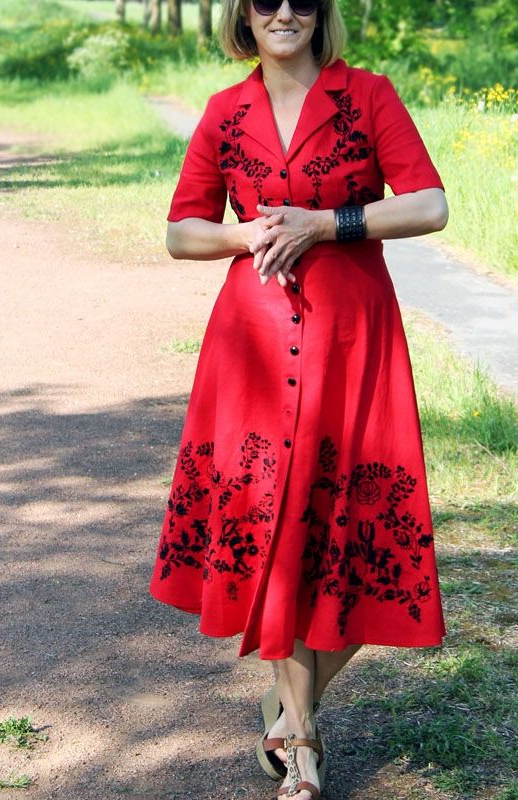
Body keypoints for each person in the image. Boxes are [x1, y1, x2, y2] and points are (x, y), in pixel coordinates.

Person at [148, 1, 449, 797]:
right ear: (242, 15)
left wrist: (325, 223)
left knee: (356, 534)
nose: (285, 11)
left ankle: (289, 701)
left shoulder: (369, 96)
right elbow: (182, 230)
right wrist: (250, 234)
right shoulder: (225, 112)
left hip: (353, 342)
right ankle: (304, 743)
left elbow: (428, 205)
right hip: (250, 344)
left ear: (323, 13)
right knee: (268, 520)